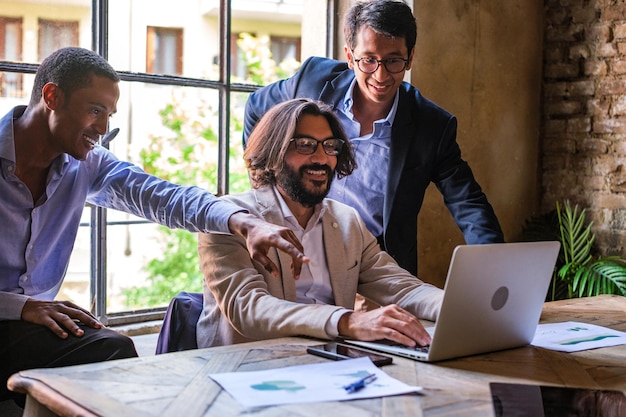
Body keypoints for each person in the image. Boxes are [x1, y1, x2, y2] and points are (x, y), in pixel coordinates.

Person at [0, 47, 307, 405]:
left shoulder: (87, 165)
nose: (102, 129)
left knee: (111, 352)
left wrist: (242, 221)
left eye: (109, 115)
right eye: (95, 111)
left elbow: (162, 196)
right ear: (52, 97)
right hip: (19, 317)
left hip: (31, 328)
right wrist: (21, 307)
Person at [244, 0, 504, 277]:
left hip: (372, 266)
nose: (381, 75)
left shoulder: (432, 126)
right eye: (368, 59)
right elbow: (256, 108)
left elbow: (468, 202)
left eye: (393, 60)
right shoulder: (311, 83)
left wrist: (496, 269)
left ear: (410, 56)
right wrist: (266, 191)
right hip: (296, 247)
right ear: (350, 55)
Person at [196, 98, 443, 349]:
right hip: (245, 371)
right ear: (273, 152)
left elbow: (401, 288)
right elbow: (248, 309)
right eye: (305, 145)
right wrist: (347, 321)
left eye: (330, 146)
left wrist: (461, 307)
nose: (322, 158)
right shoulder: (228, 218)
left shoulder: (348, 221)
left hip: (333, 365)